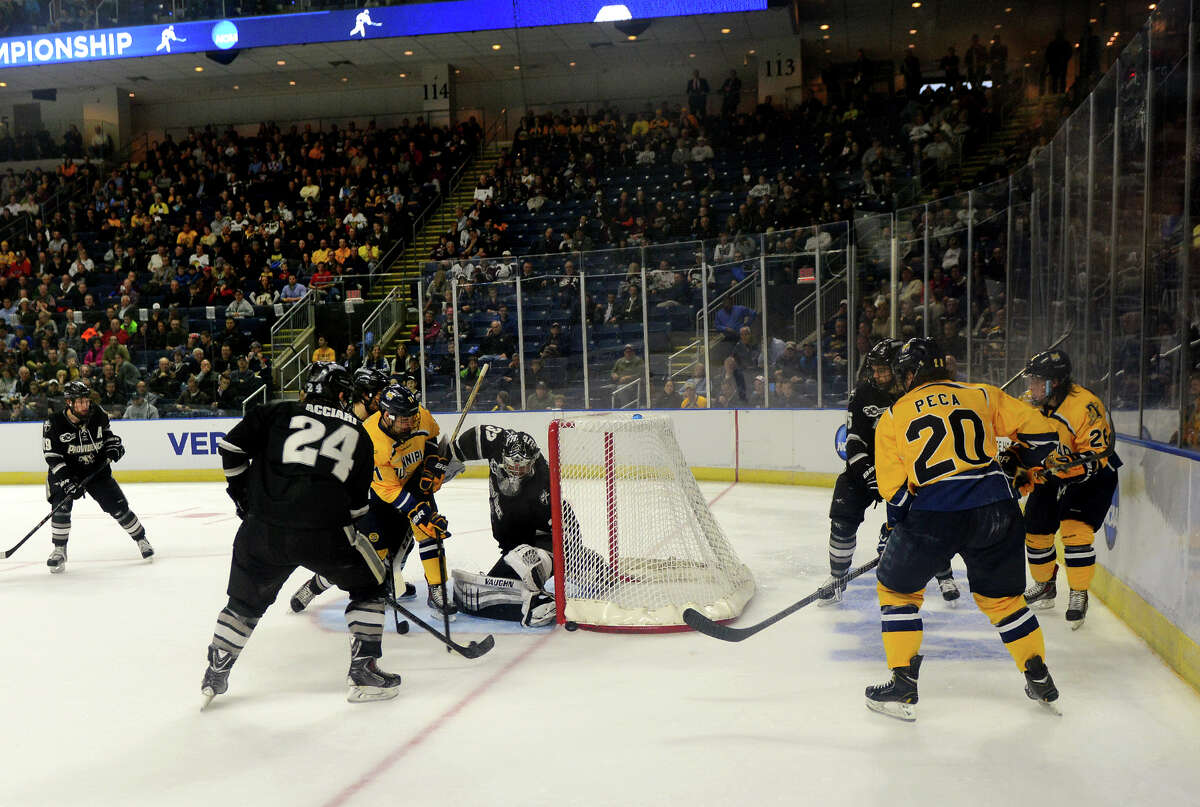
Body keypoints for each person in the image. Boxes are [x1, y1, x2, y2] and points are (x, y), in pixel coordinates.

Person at [866, 338, 1062, 720]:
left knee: (897, 590)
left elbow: (895, 492)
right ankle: (1037, 673)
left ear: (910, 375)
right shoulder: (983, 395)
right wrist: (1013, 462)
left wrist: (898, 528)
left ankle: (903, 684)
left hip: (935, 514)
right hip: (996, 509)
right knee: (1004, 600)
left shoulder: (893, 416)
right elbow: (1044, 436)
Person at [201, 363, 396, 708]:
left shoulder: (275, 411)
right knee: (373, 583)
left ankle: (217, 670)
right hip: (326, 533)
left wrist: (243, 497)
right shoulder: (360, 435)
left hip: (263, 530)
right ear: (341, 395)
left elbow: (231, 449)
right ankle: (364, 671)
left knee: (245, 602)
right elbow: (357, 510)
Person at [288, 383, 454, 618]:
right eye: (404, 420)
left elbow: (431, 439)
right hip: (375, 499)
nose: (411, 423)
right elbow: (388, 489)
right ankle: (314, 586)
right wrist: (416, 510)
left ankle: (436, 591)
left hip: (412, 484)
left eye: (412, 418)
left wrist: (432, 465)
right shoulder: (371, 439)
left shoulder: (418, 415)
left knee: (430, 530)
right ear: (387, 416)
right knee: (368, 556)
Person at [819, 339, 959, 606]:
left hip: (907, 473)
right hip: (866, 470)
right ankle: (837, 577)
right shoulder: (862, 393)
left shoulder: (915, 394)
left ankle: (944, 574)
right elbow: (854, 440)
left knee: (931, 519)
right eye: (874, 368)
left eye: (883, 369)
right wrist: (869, 473)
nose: (877, 375)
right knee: (842, 517)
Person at [1018, 349, 1119, 629]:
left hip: (1093, 475)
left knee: (1075, 531)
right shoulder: (1030, 403)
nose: (1031, 387)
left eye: (1037, 381)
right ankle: (1045, 584)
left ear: (1056, 382)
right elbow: (1018, 441)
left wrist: (1070, 466)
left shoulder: (1084, 405)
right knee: (1036, 530)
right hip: (1053, 471)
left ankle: (1078, 593)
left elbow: (1097, 456)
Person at [445, 427, 562, 627]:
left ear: (533, 461)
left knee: (524, 561)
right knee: (497, 583)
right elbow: (473, 437)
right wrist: (447, 458)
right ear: (503, 456)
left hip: (540, 543)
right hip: (512, 544)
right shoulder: (497, 441)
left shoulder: (543, 486)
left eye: (522, 468)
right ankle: (528, 588)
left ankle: (542, 599)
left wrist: (547, 560)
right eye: (511, 465)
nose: (516, 472)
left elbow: (560, 534)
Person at [42, 381, 154, 573]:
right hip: (66, 472)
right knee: (61, 506)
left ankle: (141, 539)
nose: (85, 405)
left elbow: (108, 435)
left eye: (86, 401)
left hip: (96, 469)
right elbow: (52, 457)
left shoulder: (98, 413)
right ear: (69, 402)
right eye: (80, 402)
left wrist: (113, 446)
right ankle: (59, 550)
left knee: (118, 506)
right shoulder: (53, 423)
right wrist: (67, 481)